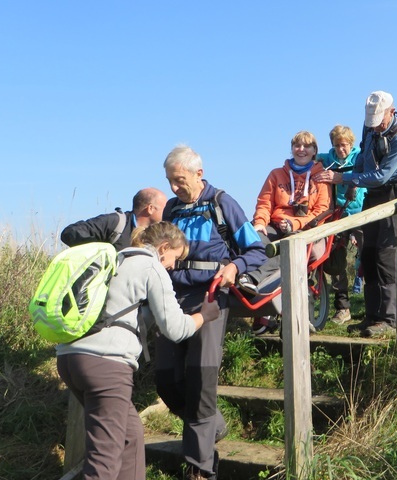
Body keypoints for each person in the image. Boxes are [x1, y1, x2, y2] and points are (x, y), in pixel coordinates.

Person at [56, 222, 220, 480]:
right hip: (106, 366)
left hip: (69, 358)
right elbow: (176, 329)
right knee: (104, 461)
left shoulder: (114, 258)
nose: (173, 266)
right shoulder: (150, 266)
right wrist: (204, 316)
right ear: (163, 247)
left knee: (130, 436)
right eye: (174, 258)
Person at [158, 144, 268, 479]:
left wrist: (235, 266)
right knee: (166, 380)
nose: (175, 188)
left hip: (208, 298)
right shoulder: (172, 209)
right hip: (171, 300)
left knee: (201, 382)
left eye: (179, 180)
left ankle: (200, 468)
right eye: (170, 181)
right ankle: (213, 427)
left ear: (198, 174)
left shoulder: (222, 203)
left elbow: (256, 249)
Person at [314, 91, 397, 338]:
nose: (375, 125)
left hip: (392, 200)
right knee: (367, 258)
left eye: (380, 119)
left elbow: (382, 175)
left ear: (392, 111)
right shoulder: (370, 130)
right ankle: (371, 315)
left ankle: (388, 319)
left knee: (385, 261)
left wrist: (342, 178)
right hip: (371, 199)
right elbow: (362, 163)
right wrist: (352, 186)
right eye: (372, 120)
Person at [237, 131, 332, 334]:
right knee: (256, 241)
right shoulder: (276, 174)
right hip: (275, 224)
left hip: (304, 229)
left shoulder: (320, 177)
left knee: (284, 249)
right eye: (297, 145)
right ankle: (247, 291)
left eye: (307, 146)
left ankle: (253, 280)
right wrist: (260, 222)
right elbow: (264, 202)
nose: (301, 149)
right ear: (292, 149)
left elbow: (322, 209)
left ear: (314, 151)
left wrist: (295, 223)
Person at [317, 125, 365, 325]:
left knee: (368, 258)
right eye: (337, 145)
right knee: (336, 260)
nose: (340, 149)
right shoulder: (328, 159)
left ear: (350, 144)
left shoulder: (360, 158)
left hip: (361, 213)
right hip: (338, 213)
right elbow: (310, 157)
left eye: (344, 145)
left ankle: (373, 305)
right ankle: (343, 307)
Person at [61, 187, 168, 251]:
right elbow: (70, 233)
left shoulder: (156, 235)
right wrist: (104, 252)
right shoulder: (116, 222)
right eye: (165, 208)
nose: (168, 212)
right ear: (150, 209)